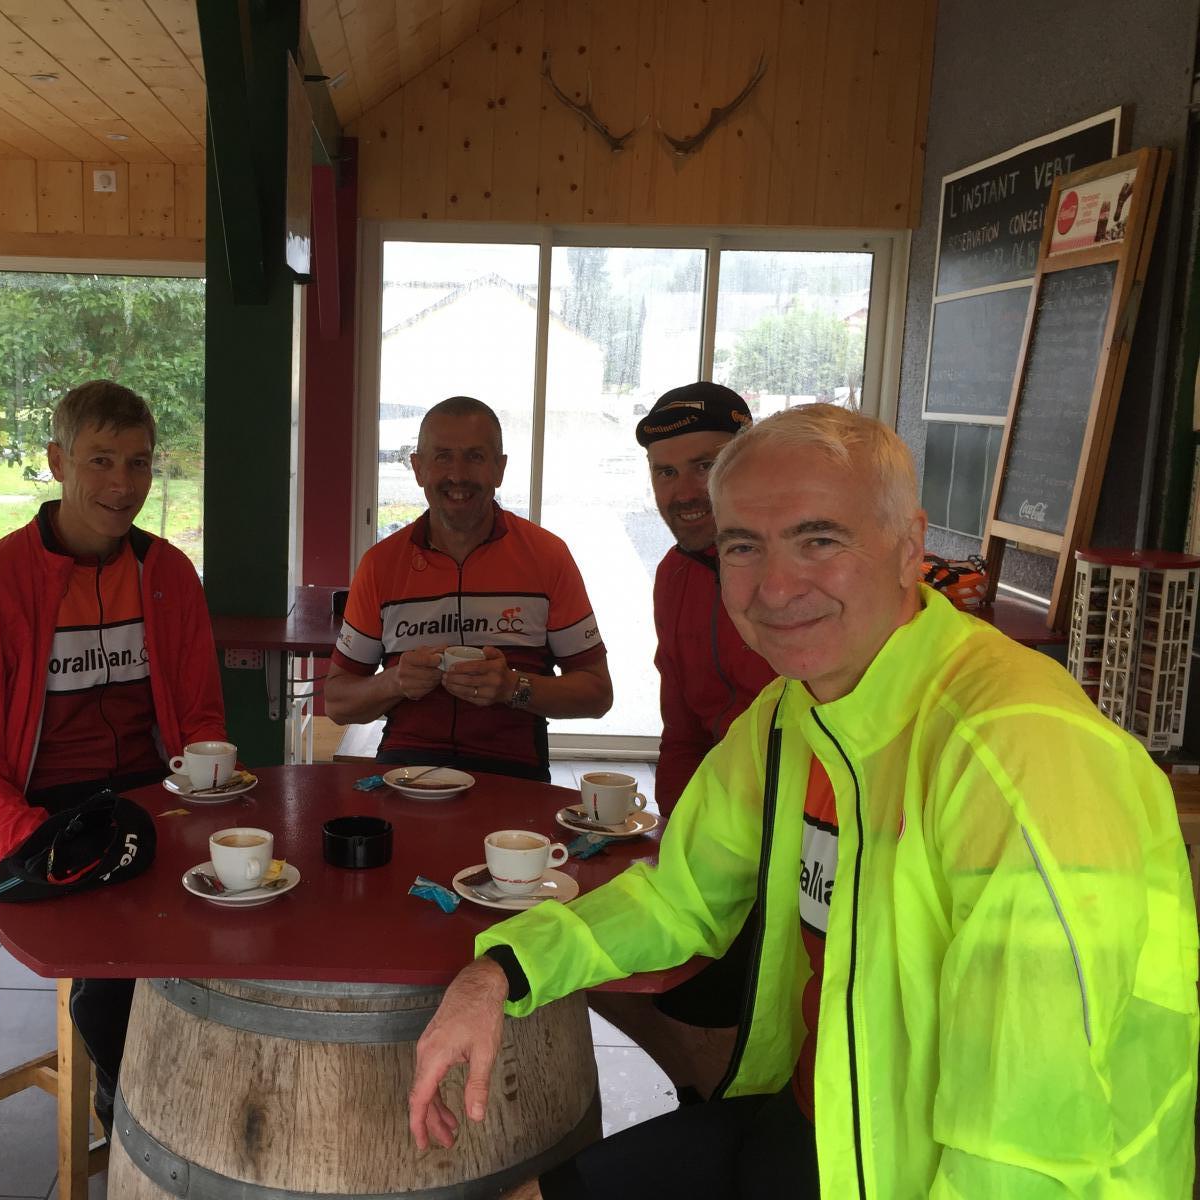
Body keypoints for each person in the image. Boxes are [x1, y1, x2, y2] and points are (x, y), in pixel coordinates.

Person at [408, 404, 1198, 1198]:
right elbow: (678, 898)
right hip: (824, 1122)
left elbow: (1028, 1151)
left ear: (909, 548)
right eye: (744, 547)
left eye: (819, 539)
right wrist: (500, 971)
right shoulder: (793, 715)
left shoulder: (1019, 753)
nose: (776, 588)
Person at [0, 378, 227, 1125]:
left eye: (138, 462)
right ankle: (144, 1108)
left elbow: (201, 719)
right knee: (120, 940)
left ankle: (176, 1095)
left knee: (238, 911)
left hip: (149, 800)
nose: (123, 484)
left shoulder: (168, 574)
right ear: (58, 462)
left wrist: (214, 787)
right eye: (101, 460)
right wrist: (36, 839)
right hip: (34, 813)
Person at [586, 382, 778, 1102]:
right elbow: (683, 729)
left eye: (706, 466)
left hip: (801, 835)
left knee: (725, 1002)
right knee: (606, 949)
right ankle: (705, 1097)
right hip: (718, 828)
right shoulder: (673, 575)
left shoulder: (790, 575)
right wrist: (675, 833)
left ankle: (724, 1104)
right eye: (665, 472)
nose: (683, 492)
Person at [324, 395, 612, 782]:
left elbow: (597, 693)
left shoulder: (547, 557)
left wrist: (512, 687)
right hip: (406, 771)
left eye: (475, 457)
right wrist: (394, 682)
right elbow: (337, 702)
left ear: (499, 468)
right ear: (418, 468)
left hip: (514, 774)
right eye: (442, 456)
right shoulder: (381, 564)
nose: (457, 475)